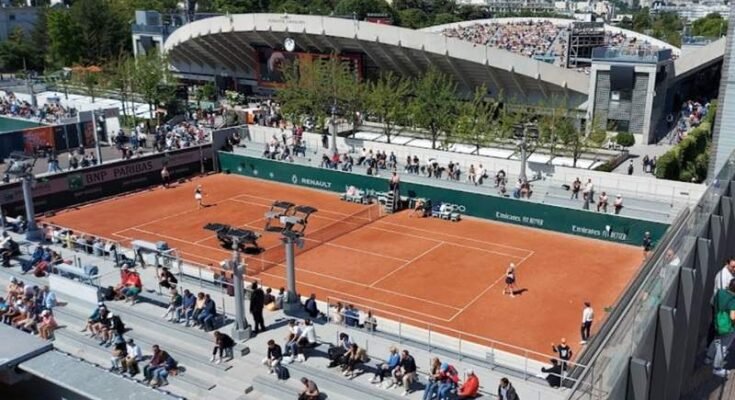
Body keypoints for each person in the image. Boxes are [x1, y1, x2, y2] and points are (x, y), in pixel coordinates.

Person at [712, 278, 735, 377]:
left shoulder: (720, 292)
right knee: (723, 347)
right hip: (727, 328)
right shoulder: (733, 301)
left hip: (717, 322)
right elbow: (733, 317)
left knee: (717, 342)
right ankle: (717, 368)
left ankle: (709, 357)